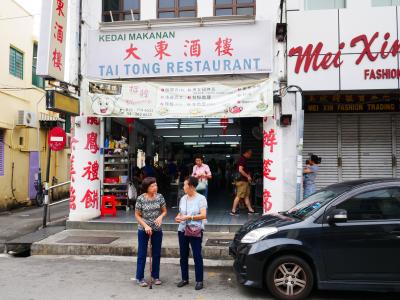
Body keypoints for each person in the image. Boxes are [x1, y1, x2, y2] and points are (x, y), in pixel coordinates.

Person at [175, 176, 207, 291]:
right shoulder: (183, 198)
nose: (183, 187)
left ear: (192, 186)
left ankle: (199, 280)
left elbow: (203, 215)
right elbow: (180, 213)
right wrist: (178, 218)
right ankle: (185, 278)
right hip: (182, 229)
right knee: (183, 255)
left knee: (197, 255)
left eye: (185, 185)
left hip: (195, 230)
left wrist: (190, 217)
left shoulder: (201, 198)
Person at [134, 177, 167, 287]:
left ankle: (155, 276)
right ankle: (139, 277)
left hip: (157, 228)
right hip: (143, 229)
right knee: (142, 254)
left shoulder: (160, 197)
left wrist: (161, 217)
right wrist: (146, 226)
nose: (155, 188)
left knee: (156, 253)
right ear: (146, 188)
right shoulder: (141, 199)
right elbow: (137, 215)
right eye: (152, 186)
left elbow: (164, 211)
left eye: (156, 185)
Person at [230, 149, 256, 216]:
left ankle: (250, 210)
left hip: (244, 181)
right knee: (239, 196)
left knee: (246, 196)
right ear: (247, 153)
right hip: (242, 181)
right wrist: (248, 176)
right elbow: (240, 170)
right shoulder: (242, 159)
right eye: (250, 154)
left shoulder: (244, 159)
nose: (250, 155)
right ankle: (233, 211)